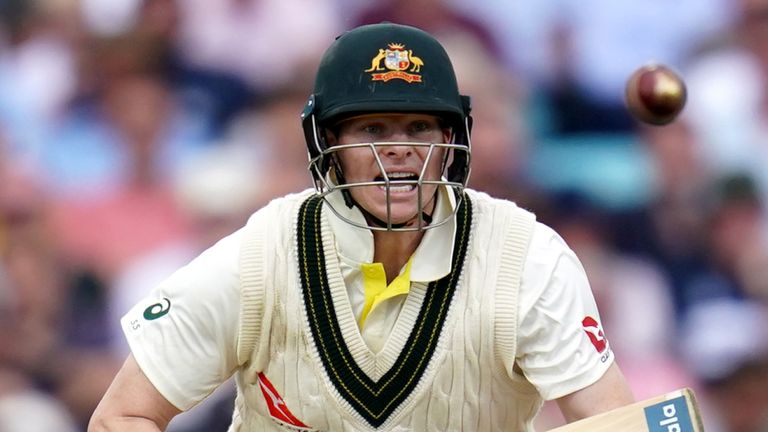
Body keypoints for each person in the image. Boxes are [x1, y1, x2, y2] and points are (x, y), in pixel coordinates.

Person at [88, 22, 634, 431]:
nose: (398, 149)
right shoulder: (263, 254)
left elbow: (614, 422)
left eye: (419, 127)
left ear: (451, 143)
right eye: (373, 126)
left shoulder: (526, 258)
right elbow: (122, 416)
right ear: (329, 145)